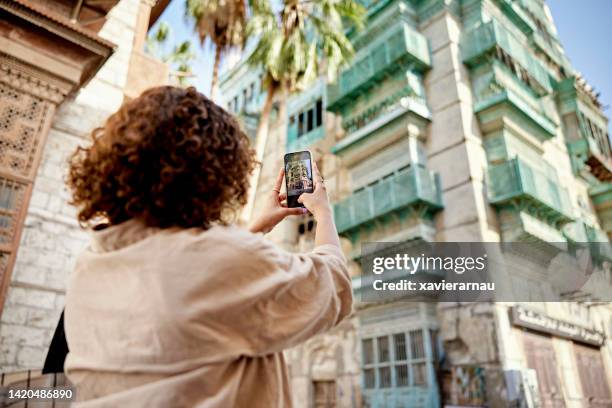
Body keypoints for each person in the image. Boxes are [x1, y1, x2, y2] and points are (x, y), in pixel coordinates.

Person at [63, 86, 352, 407]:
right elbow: (334, 286)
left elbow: (193, 282)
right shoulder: (219, 260)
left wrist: (255, 228)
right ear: (214, 170)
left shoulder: (90, 264)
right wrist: (323, 211)